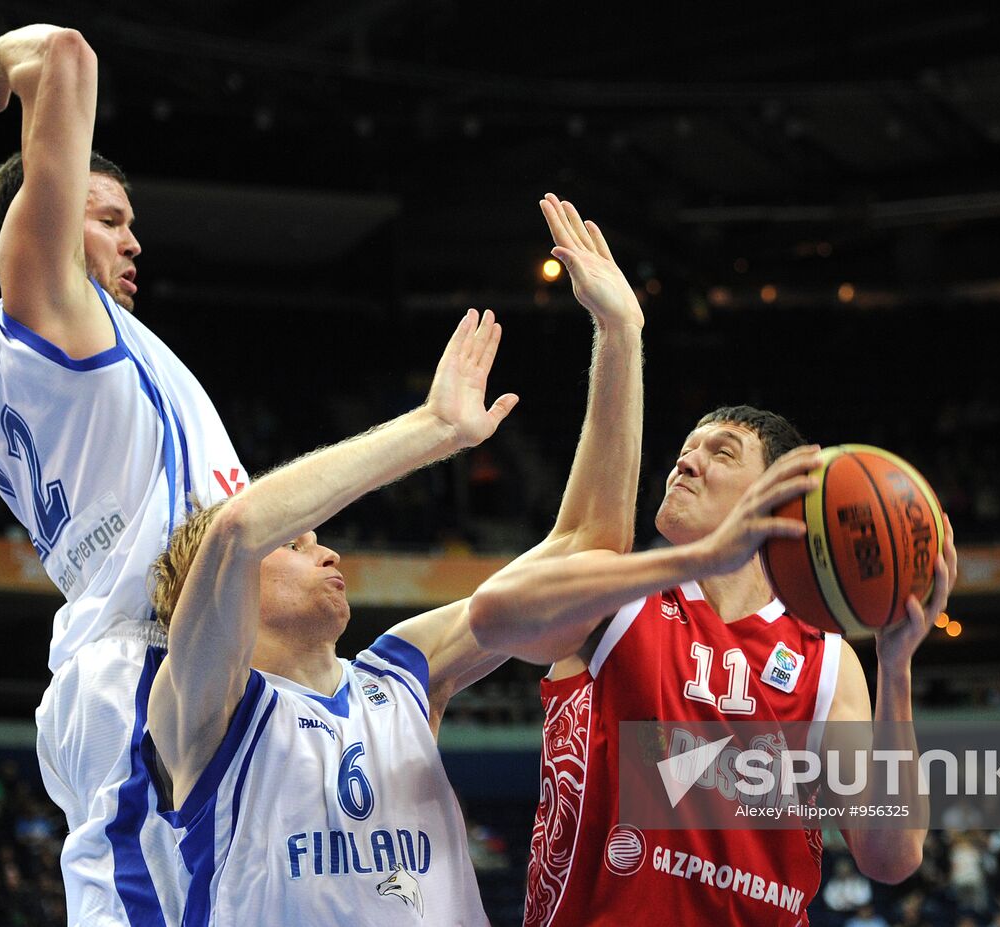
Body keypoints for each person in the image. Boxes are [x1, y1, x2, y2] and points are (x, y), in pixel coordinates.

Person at [144, 198, 644, 923]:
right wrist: (433, 428)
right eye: (299, 540)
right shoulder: (198, 707)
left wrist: (621, 335)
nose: (326, 546)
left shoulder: (400, 671)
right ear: (217, 592)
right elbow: (241, 526)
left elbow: (584, 551)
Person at [0, 25, 247, 925]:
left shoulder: (80, 352)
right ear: (40, 220)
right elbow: (68, 55)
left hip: (169, 656)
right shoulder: (46, 308)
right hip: (140, 659)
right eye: (109, 218)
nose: (132, 241)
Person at [468, 406, 958, 925]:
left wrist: (896, 665)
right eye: (684, 451)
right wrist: (703, 557)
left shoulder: (827, 659)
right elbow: (492, 617)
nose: (686, 464)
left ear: (780, 494)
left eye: (720, 452)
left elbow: (892, 857)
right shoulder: (622, 593)